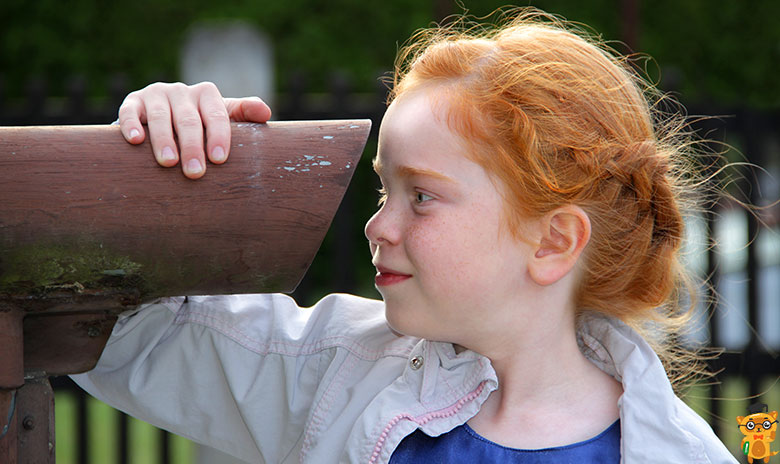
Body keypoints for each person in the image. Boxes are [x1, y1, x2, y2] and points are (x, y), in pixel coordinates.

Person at [72, 9, 737, 463]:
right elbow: (124, 337)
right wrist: (147, 176)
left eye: (421, 197)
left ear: (553, 241)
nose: (377, 224)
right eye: (386, 189)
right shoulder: (335, 374)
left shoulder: (678, 452)